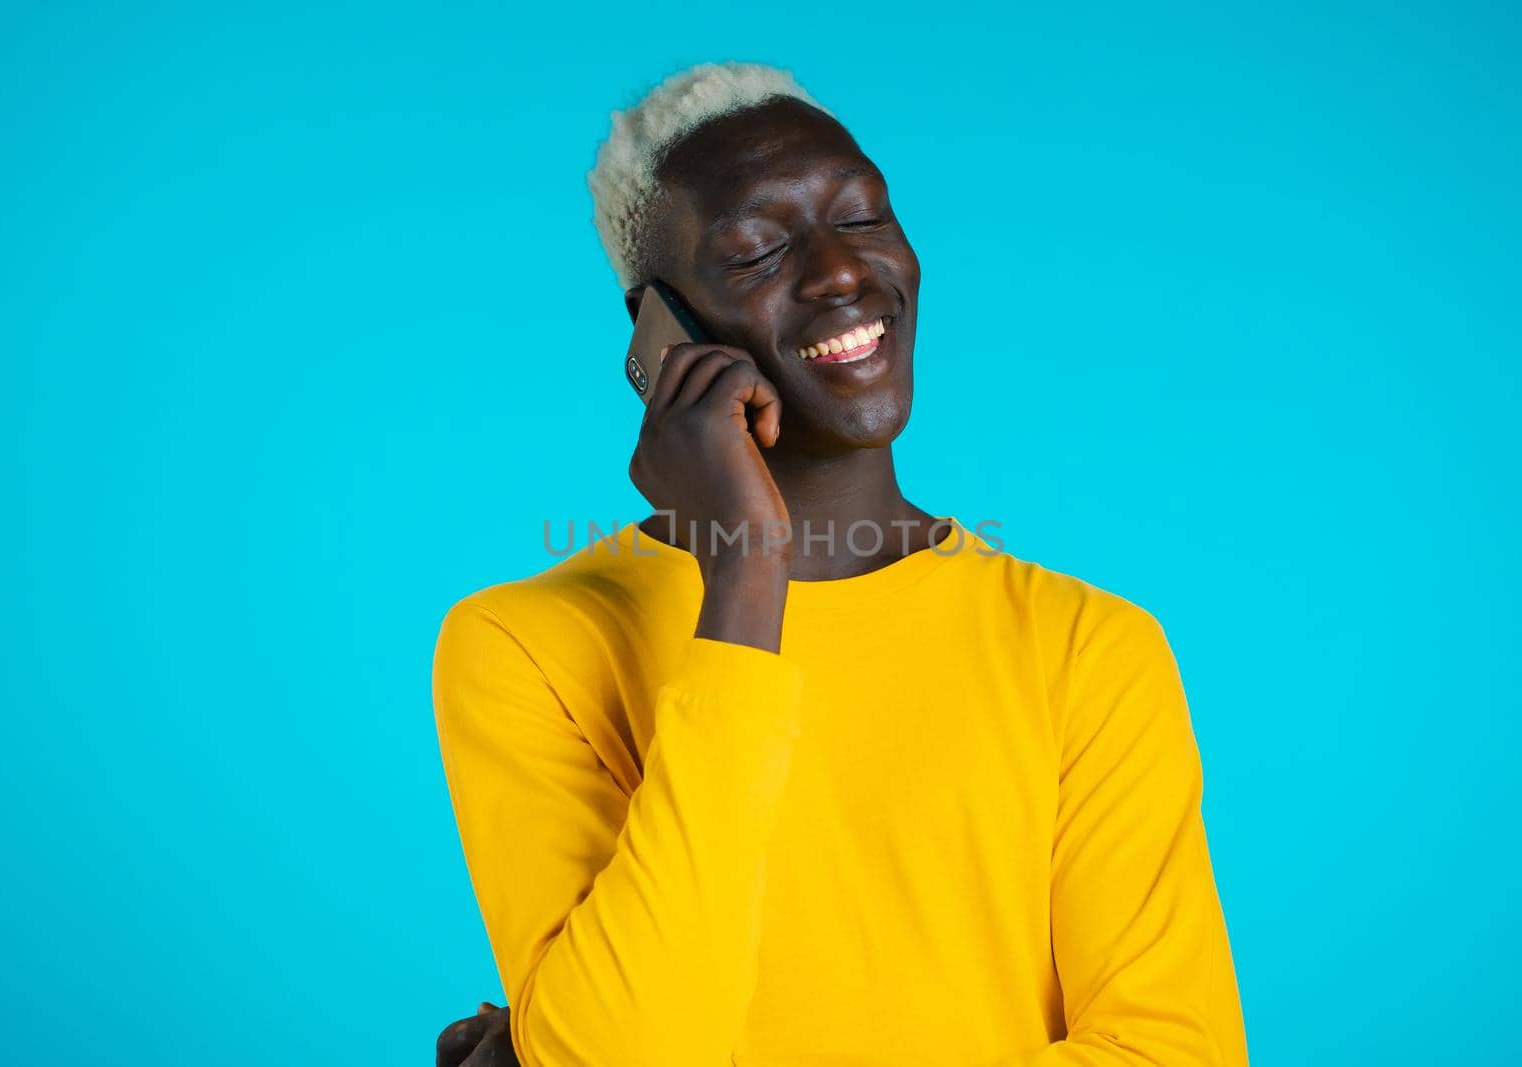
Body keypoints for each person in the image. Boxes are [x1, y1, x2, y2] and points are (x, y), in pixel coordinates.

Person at [431, 61, 1248, 1067]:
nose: (840, 274)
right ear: (661, 331)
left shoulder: (1086, 648)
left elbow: (1175, 1050)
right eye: (760, 250)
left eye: (862, 219)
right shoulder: (529, 646)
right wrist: (745, 574)